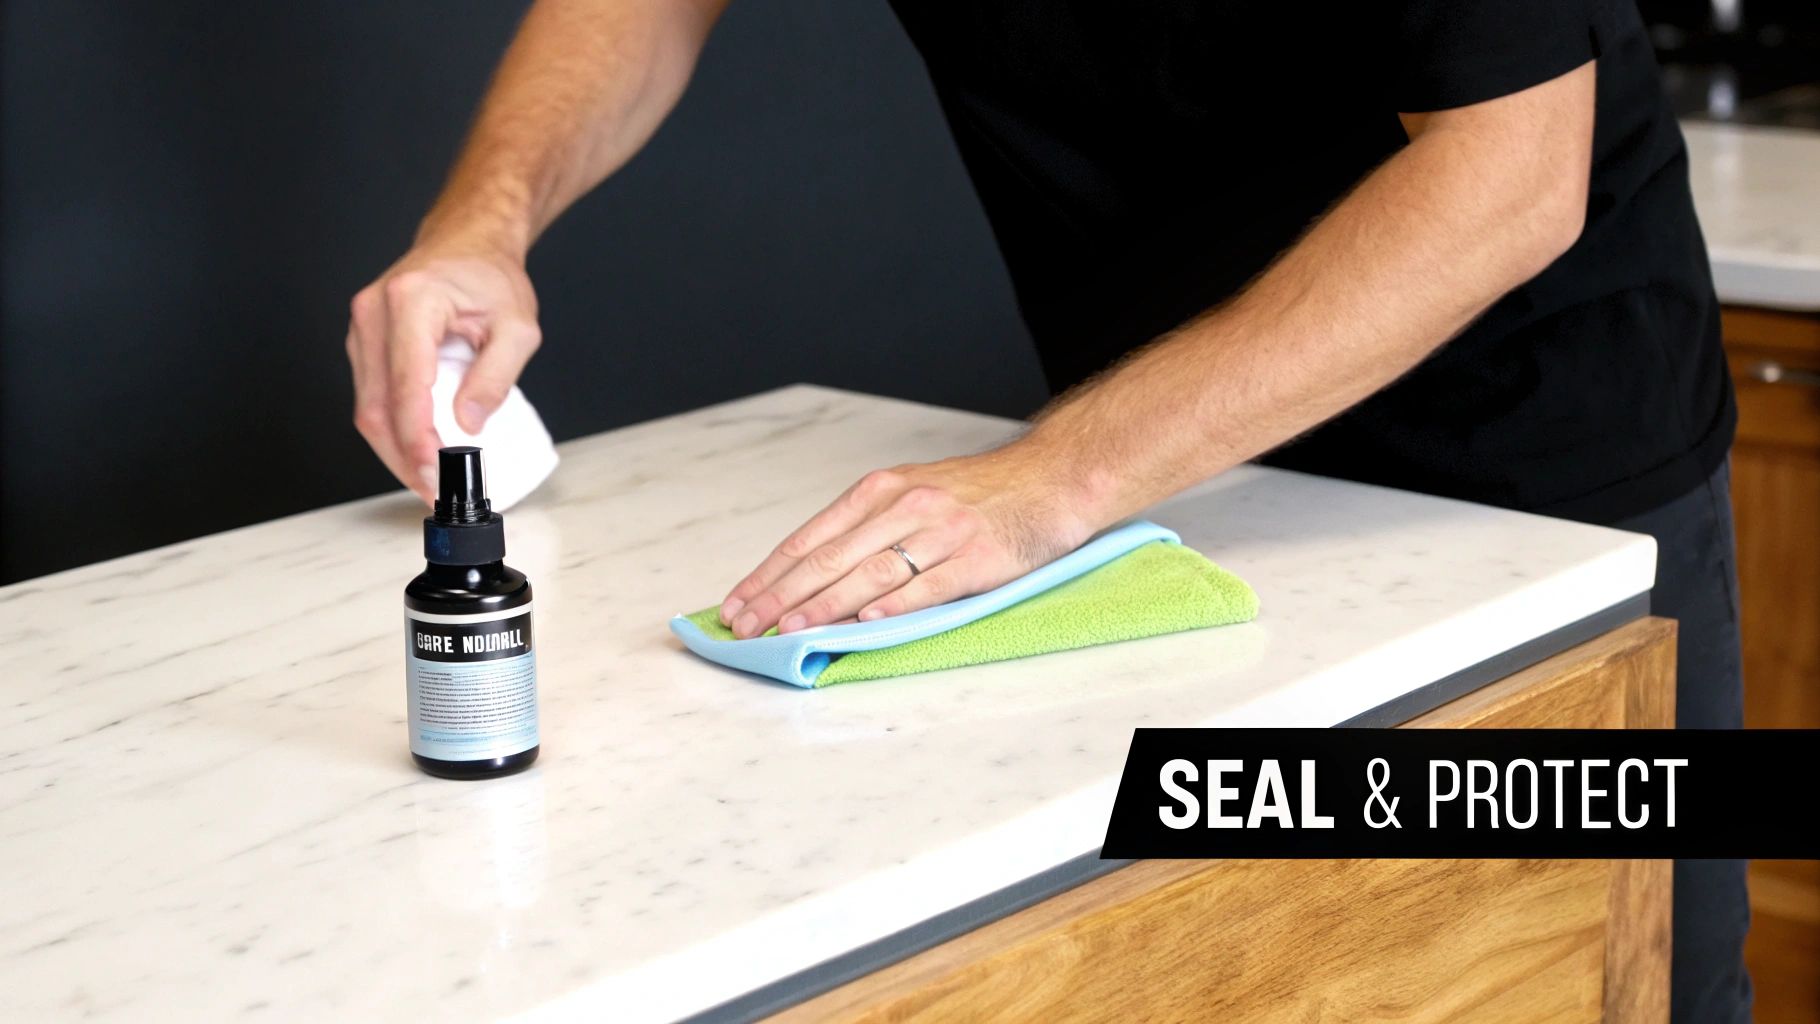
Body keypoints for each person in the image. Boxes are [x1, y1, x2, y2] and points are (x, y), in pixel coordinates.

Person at [344, 2, 1747, 1018]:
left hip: (1536, 463)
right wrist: (487, 219)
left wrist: (1055, 479)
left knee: (1605, 978)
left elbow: (1513, 172)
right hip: (1152, 490)